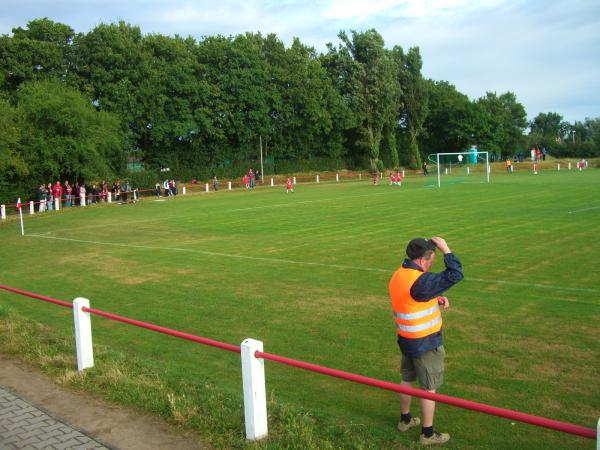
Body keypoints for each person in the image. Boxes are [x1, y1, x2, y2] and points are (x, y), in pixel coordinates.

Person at [388, 237, 463, 446]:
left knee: (406, 379)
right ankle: (428, 434)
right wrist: (447, 249)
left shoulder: (400, 274)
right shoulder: (420, 281)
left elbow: (412, 297)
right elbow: (456, 274)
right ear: (422, 260)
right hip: (426, 343)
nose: (432, 264)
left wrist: (437, 297)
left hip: (406, 339)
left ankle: (405, 420)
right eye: (431, 260)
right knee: (429, 388)